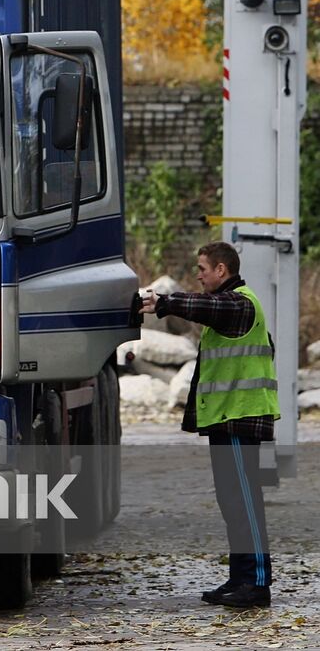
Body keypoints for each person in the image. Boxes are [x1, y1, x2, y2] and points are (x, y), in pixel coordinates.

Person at [140, 241, 280, 609]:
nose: (199, 275)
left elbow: (207, 306)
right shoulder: (233, 308)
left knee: (244, 501)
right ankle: (240, 579)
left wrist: (164, 302)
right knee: (232, 501)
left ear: (222, 270)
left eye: (203, 268)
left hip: (240, 416)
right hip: (227, 417)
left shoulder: (238, 303)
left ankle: (257, 583)